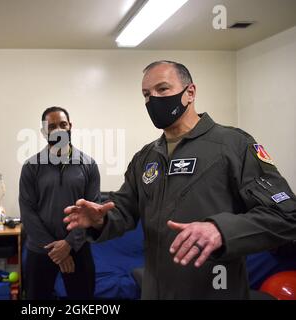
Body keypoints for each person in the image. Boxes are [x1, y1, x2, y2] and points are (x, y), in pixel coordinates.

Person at [64, 61, 296, 299]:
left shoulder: (233, 145)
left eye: (162, 89)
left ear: (190, 93)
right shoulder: (145, 157)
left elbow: (286, 215)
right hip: (156, 290)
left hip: (215, 288)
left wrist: (221, 230)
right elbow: (124, 210)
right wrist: (99, 220)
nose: (153, 99)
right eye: (146, 94)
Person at [19, 106, 100, 299]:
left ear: (70, 126)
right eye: (52, 126)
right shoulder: (31, 167)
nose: (58, 130)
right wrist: (57, 250)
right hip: (40, 250)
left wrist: (69, 244)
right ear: (43, 132)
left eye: (63, 125)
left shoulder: (88, 165)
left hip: (78, 247)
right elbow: (27, 212)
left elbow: (92, 212)